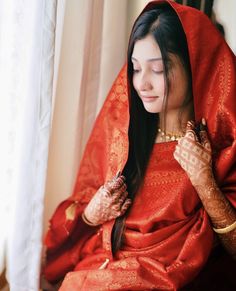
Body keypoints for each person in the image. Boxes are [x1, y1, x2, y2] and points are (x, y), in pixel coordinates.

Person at [42, 0, 236, 290]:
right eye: (135, 68)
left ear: (197, 66)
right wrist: (91, 215)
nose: (141, 83)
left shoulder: (222, 146)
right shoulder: (122, 136)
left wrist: (204, 182)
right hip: (98, 274)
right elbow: (62, 240)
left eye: (156, 69)